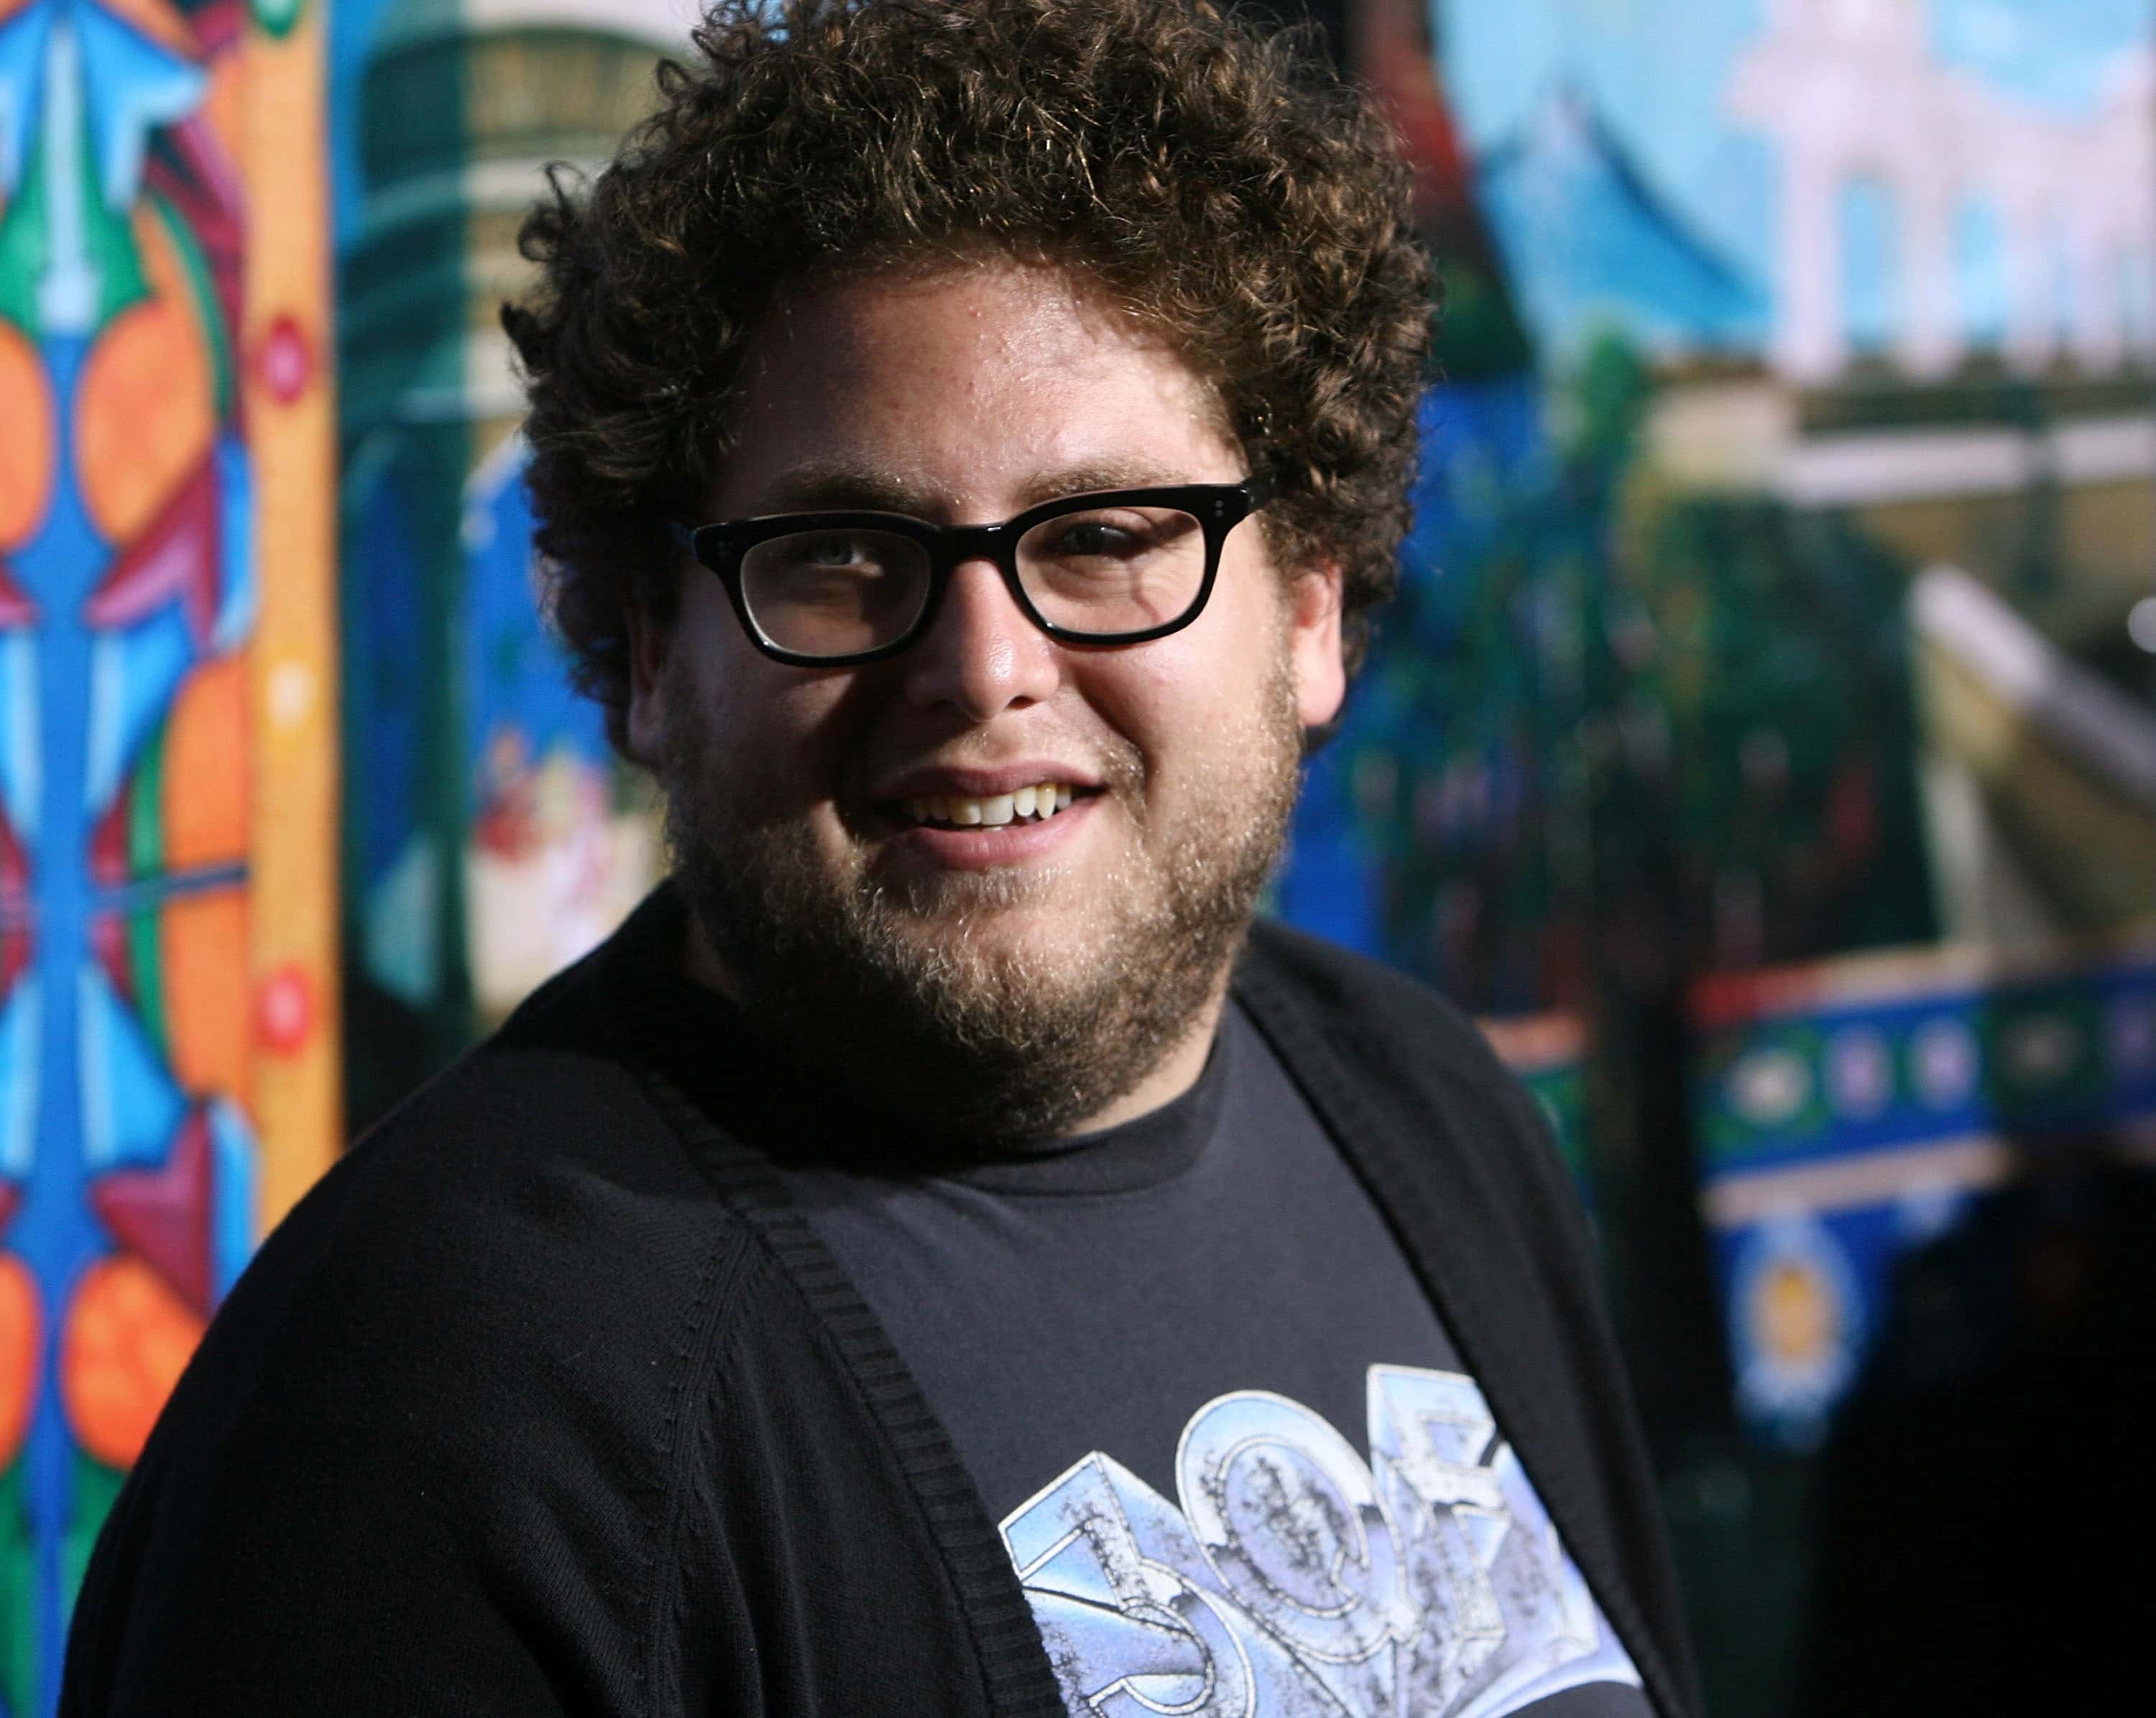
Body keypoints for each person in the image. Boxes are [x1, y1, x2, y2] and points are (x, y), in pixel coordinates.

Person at [63, 3, 1700, 1714]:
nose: (985, 664)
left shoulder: (1430, 1110)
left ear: (1310, 611)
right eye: (843, 555)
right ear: (642, 651)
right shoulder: (442, 1410)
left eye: (1110, 536)